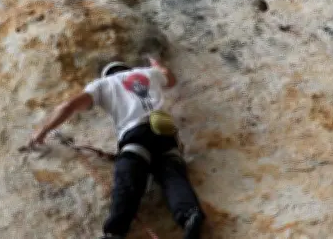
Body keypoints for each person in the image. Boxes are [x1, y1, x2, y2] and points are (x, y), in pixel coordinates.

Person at [28, 57, 204, 239]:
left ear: (107, 73)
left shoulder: (102, 84)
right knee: (171, 174)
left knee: (128, 176)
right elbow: (171, 79)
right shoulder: (148, 73)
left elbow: (68, 106)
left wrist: (43, 130)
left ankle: (115, 232)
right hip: (165, 133)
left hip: (136, 134)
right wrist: (157, 65)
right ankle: (190, 214)